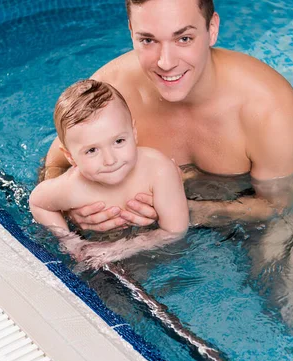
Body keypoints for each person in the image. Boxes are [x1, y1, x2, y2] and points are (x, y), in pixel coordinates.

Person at [41, 0, 293, 331]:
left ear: (212, 29)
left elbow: (278, 203)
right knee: (97, 306)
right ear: (131, 34)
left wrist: (193, 212)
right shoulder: (113, 90)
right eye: (148, 40)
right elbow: (56, 163)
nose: (166, 62)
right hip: (142, 217)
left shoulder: (266, 104)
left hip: (248, 209)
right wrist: (73, 208)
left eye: (184, 39)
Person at [30, 79, 188, 264]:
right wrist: (70, 241)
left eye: (119, 141)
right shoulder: (72, 187)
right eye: (92, 150)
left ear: (134, 133)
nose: (110, 160)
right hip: (97, 239)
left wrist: (120, 249)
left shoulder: (158, 170)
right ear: (71, 157)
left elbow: (175, 230)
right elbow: (38, 203)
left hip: (142, 246)